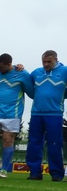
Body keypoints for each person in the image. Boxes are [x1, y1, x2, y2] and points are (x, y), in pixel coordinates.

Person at [0, 53, 33, 178]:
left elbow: (32, 93)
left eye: (2, 67)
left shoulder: (22, 74)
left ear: (10, 64)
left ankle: (3, 170)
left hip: (12, 114)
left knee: (8, 141)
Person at [26, 49, 67, 181]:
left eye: (49, 61)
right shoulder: (36, 73)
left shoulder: (64, 71)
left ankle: (56, 174)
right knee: (34, 143)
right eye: (44, 61)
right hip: (36, 113)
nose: (46, 64)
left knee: (54, 144)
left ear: (56, 59)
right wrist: (18, 68)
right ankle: (34, 172)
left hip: (55, 114)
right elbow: (26, 83)